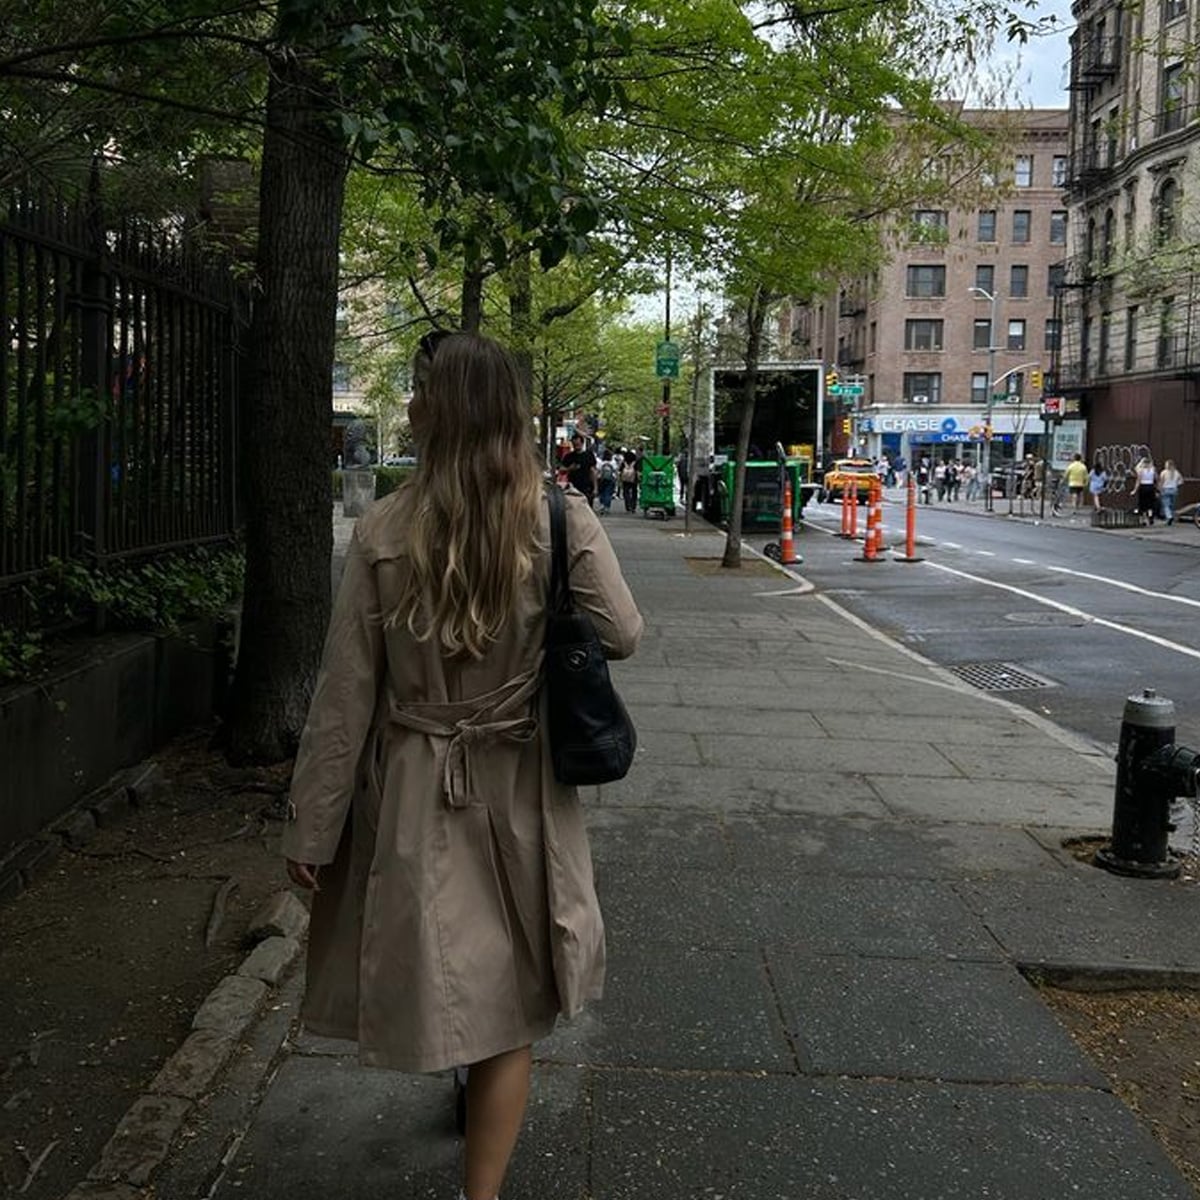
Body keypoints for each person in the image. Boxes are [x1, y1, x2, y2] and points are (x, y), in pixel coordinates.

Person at [282, 331, 643, 1200]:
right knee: (512, 1002)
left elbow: (345, 697)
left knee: (450, 967)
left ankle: (464, 1097)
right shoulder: (559, 520)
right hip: (520, 779)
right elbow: (623, 634)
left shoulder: (384, 529)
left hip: (415, 786)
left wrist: (313, 825)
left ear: (432, 413)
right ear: (513, 415)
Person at [561, 433, 598, 508]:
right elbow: (561, 470)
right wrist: (570, 468)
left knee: (587, 508)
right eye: (574, 444)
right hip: (572, 487)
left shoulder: (589, 455)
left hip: (587, 487)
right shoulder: (568, 456)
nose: (576, 446)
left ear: (582, 443)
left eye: (578, 444)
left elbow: (593, 471)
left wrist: (595, 488)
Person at [1131, 454, 1158, 525]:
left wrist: (1134, 490)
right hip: (1151, 487)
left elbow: (1138, 481)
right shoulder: (1153, 469)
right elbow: (1156, 478)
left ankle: (1143, 520)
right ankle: (1150, 516)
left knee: (1142, 504)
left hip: (1143, 487)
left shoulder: (1141, 470)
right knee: (1150, 504)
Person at [1159, 459, 1183, 525]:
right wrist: (1176, 484)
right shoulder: (1176, 472)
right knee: (1171, 505)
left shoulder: (1163, 472)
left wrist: (1160, 489)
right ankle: (1171, 516)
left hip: (1165, 489)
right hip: (1174, 489)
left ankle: (1169, 517)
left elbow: (1161, 482)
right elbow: (1181, 481)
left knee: (1166, 505)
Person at [597, 450, 618, 515]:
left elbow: (598, 469)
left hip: (601, 479)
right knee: (608, 493)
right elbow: (615, 470)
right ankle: (607, 506)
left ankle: (602, 504)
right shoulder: (613, 462)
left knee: (602, 492)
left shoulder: (601, 462)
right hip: (611, 479)